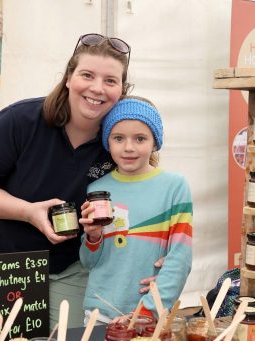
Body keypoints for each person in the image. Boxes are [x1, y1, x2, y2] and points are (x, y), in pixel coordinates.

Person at [0, 33, 155, 329]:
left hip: (75, 264)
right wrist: (28, 212)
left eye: (110, 81)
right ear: (68, 77)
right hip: (13, 259)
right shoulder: (20, 121)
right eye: (87, 75)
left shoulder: (120, 141)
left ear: (122, 90)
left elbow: (147, 195)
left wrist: (161, 250)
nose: (97, 89)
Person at [79, 97, 193, 323]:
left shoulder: (174, 187)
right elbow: (88, 262)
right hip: (99, 315)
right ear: (107, 142)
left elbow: (180, 258)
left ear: (155, 142)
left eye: (140, 138)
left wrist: (149, 309)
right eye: (118, 138)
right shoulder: (96, 190)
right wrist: (93, 236)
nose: (129, 147)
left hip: (148, 315)